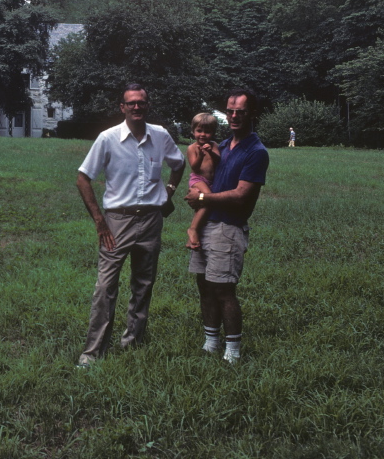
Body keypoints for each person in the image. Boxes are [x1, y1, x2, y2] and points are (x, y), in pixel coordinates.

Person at [76, 83, 185, 368]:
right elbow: (83, 178)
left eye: (142, 102)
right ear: (122, 107)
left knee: (143, 283)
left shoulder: (160, 135)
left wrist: (169, 191)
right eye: (131, 103)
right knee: (105, 286)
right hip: (117, 222)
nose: (137, 107)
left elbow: (179, 163)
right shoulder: (108, 138)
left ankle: (133, 342)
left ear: (148, 106)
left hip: (151, 220)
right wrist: (100, 221)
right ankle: (92, 353)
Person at [184, 89, 269, 364]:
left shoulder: (256, 152)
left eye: (240, 112)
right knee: (204, 285)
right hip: (208, 223)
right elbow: (202, 175)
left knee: (223, 289)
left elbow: (242, 194)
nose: (234, 116)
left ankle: (232, 351)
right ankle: (211, 341)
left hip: (228, 228)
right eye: (230, 111)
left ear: (252, 114)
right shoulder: (222, 144)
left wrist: (201, 197)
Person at [186, 113, 221, 250]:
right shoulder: (192, 148)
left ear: (212, 133)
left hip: (211, 181)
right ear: (193, 131)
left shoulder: (214, 145)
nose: (203, 134)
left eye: (207, 131)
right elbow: (194, 167)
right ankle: (192, 229)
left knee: (202, 206)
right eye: (199, 131)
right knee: (207, 200)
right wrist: (200, 155)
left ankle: (192, 239)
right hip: (198, 179)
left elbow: (219, 161)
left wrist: (211, 152)